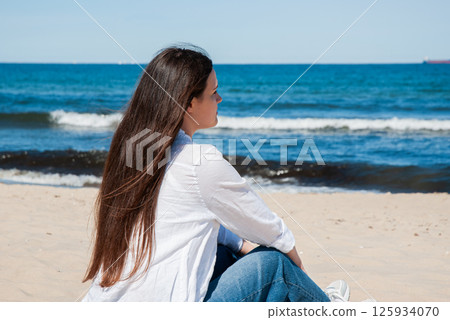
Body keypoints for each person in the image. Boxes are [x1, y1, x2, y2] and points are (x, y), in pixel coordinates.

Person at [81, 45, 349, 302]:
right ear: (188, 104)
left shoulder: (134, 150)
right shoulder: (200, 162)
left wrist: (239, 244)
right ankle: (329, 307)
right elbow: (266, 226)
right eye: (213, 92)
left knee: (226, 251)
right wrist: (296, 263)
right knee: (275, 265)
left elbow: (182, 217)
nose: (219, 99)